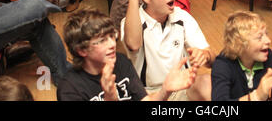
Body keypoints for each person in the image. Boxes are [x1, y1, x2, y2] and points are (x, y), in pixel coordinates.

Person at [57, 9, 197, 101]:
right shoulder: (70, 89)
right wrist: (110, 97)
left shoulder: (121, 62)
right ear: (82, 50)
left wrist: (165, 91)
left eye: (112, 36)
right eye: (102, 40)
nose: (112, 44)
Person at [121, 0, 214, 100]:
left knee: (210, 82)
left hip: (182, 85)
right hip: (149, 93)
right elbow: (133, 44)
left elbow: (213, 59)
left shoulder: (182, 16)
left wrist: (205, 55)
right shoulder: (132, 21)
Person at [211, 10, 272, 101]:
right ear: (240, 44)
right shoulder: (222, 65)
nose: (268, 41)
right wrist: (256, 97)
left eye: (266, 34)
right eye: (259, 37)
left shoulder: (267, 56)